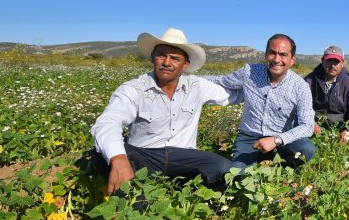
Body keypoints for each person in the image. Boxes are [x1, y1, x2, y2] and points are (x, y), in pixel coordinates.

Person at [91, 28, 239, 195]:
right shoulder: (133, 89)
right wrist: (119, 159)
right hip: (143, 155)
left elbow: (233, 95)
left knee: (224, 168)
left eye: (175, 58)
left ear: (185, 65)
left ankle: (182, 189)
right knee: (107, 158)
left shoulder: (197, 86)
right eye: (161, 55)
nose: (167, 62)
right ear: (153, 58)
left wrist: (260, 87)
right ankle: (139, 197)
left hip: (184, 157)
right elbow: (108, 122)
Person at [205, 33, 316, 171]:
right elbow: (221, 81)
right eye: (272, 53)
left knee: (306, 149)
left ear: (293, 59)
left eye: (283, 55)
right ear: (265, 55)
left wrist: (276, 140)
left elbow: (307, 126)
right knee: (238, 176)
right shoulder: (249, 72)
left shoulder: (300, 87)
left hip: (282, 139)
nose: (276, 59)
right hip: (249, 138)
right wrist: (188, 79)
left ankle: (282, 169)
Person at [304, 45, 349, 143]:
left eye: (336, 62)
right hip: (315, 125)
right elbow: (301, 108)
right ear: (322, 60)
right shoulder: (309, 80)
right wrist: (311, 123)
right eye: (329, 61)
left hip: (340, 126)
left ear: (342, 63)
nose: (332, 65)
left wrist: (347, 130)